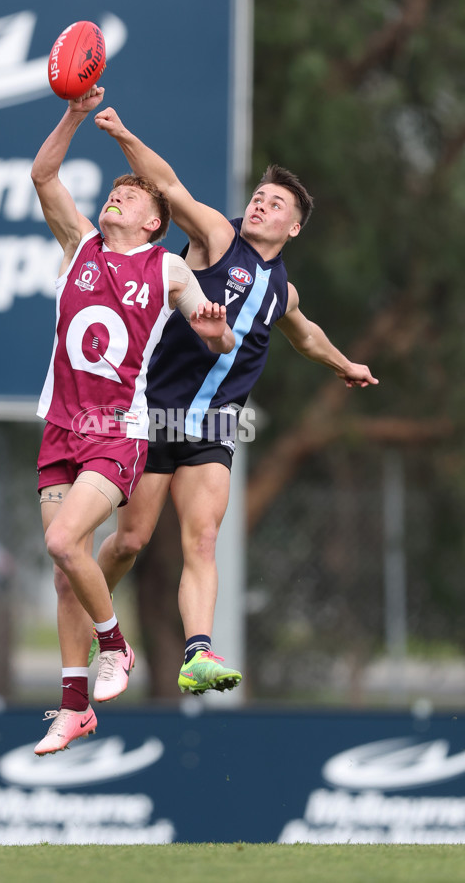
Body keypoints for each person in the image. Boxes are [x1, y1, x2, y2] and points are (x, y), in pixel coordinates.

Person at [93, 106, 379, 697]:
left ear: (294, 228)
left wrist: (345, 364)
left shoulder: (284, 291)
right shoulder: (217, 237)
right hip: (155, 415)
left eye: (276, 204)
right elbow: (169, 187)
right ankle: (91, 610)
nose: (260, 205)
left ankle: (198, 652)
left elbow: (305, 336)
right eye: (259, 196)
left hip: (214, 427)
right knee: (131, 540)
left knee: (201, 539)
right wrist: (122, 134)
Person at [31, 86, 235, 756]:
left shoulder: (168, 266)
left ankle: (115, 647)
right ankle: (72, 706)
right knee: (67, 573)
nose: (119, 198)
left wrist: (214, 327)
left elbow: (220, 341)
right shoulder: (79, 247)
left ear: (154, 220)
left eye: (134, 196)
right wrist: (73, 114)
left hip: (119, 430)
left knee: (66, 543)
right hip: (59, 427)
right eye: (116, 193)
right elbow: (43, 175)